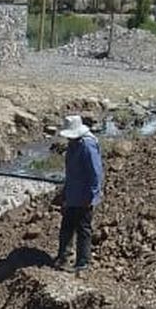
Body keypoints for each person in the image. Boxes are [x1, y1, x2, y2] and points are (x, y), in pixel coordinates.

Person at [55, 113, 104, 275]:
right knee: (67, 226)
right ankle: (64, 258)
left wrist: (92, 195)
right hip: (72, 193)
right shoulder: (74, 144)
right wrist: (65, 192)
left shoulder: (87, 145)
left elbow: (95, 173)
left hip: (84, 195)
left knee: (83, 228)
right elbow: (71, 171)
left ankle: (83, 262)